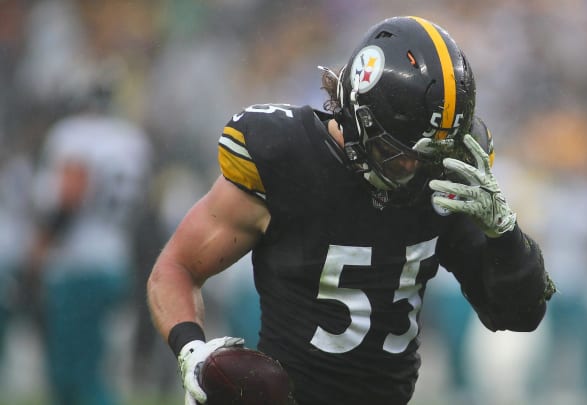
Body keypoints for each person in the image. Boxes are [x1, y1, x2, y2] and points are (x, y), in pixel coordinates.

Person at [147, 16, 554, 405]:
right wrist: (193, 352)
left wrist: (506, 234)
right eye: (396, 154)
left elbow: (518, 315)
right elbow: (175, 269)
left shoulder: (440, 174)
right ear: (358, 115)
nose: (411, 169)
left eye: (424, 158)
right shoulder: (288, 157)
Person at [28, 72, 152, 405]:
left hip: (77, 263)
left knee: (73, 377)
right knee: (97, 364)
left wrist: (41, 245)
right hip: (114, 259)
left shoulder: (74, 135)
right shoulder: (132, 139)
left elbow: (72, 190)